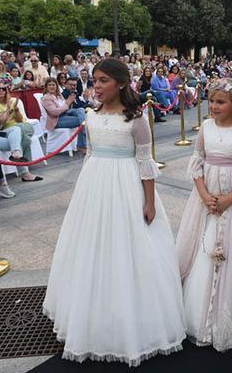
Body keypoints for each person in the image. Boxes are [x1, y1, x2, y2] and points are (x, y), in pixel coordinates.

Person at [43, 58, 185, 366]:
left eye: (103, 80)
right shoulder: (91, 115)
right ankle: (90, 311)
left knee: (128, 246)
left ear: (120, 83)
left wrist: (149, 202)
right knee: (91, 246)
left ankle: (131, 315)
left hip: (126, 183)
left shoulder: (136, 118)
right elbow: (90, 154)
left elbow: (146, 163)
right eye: (94, 80)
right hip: (95, 184)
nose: (97, 85)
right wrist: (84, 189)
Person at [175, 78, 232, 351]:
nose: (214, 106)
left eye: (220, 102)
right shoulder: (206, 128)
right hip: (206, 201)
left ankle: (228, 316)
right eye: (211, 101)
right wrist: (204, 196)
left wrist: (228, 200)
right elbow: (197, 162)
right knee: (201, 249)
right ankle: (198, 314)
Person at [0, 84, 43, 182]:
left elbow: (20, 120)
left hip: (21, 127)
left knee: (24, 128)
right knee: (25, 138)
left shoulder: (12, 102)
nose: (1, 90)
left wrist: (16, 111)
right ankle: (25, 170)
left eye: (3, 89)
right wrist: (7, 112)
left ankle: (24, 168)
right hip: (6, 131)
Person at [40, 77, 88, 155]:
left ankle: (82, 140)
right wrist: (67, 103)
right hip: (56, 120)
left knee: (81, 110)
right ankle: (82, 142)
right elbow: (55, 112)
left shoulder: (58, 96)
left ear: (56, 86)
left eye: (53, 85)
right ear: (46, 87)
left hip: (65, 114)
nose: (52, 87)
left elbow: (65, 109)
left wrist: (68, 105)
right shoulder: (46, 98)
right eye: (50, 85)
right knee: (82, 120)